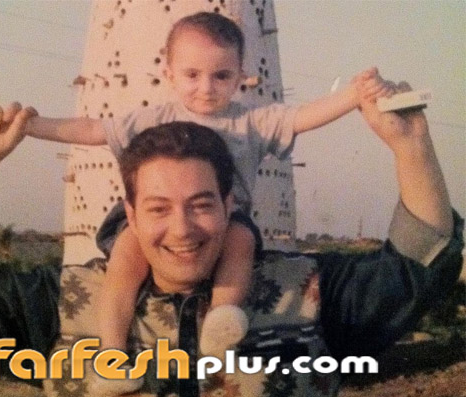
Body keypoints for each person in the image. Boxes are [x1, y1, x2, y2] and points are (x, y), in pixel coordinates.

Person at [0, 80, 463, 397]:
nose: (182, 229)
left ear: (231, 205)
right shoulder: (68, 301)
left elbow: (421, 266)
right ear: (129, 214)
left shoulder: (306, 293)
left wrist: (411, 146)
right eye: (158, 208)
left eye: (202, 204)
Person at [22, 12, 392, 370]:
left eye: (221, 76)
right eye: (192, 75)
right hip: (151, 221)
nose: (206, 87)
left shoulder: (251, 121)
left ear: (241, 76)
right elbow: (93, 130)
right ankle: (112, 352)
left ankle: (221, 320)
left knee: (241, 242)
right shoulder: (152, 118)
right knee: (125, 258)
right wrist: (31, 126)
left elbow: (303, 117)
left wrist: (354, 94)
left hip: (228, 220)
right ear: (169, 74)